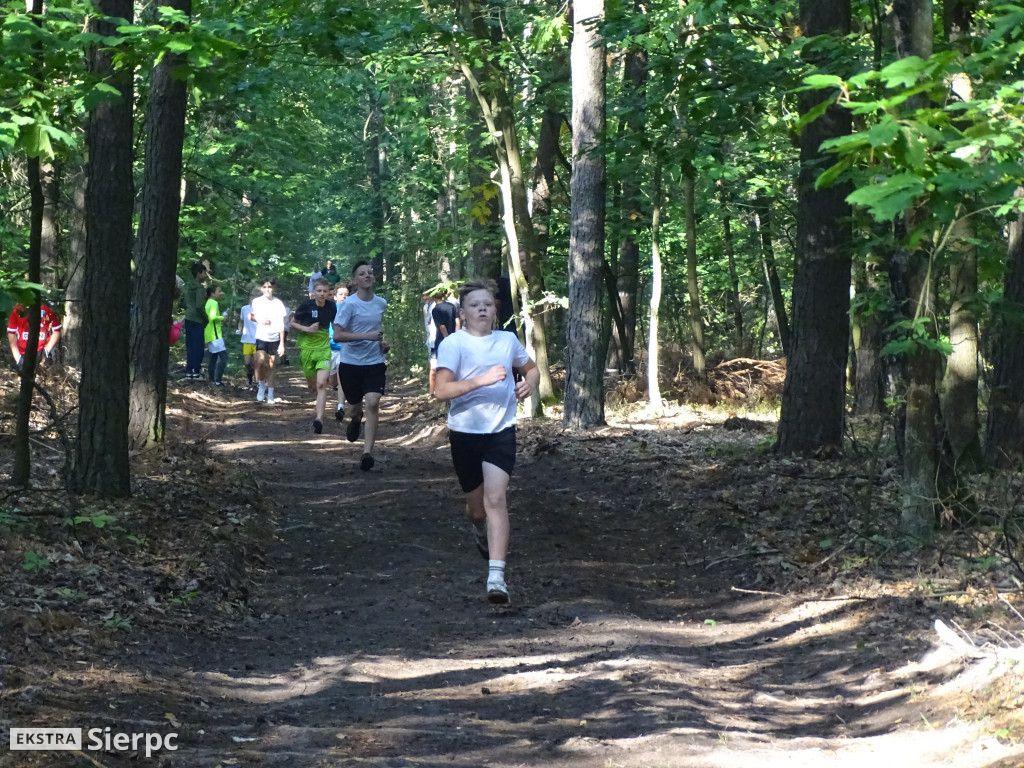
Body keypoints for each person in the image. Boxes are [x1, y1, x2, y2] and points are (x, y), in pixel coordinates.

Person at [433, 278, 539, 605]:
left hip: (501, 431)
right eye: (475, 304)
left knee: (496, 500)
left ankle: (496, 577)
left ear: (495, 310)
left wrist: (530, 384)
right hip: (465, 433)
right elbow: (441, 391)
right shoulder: (454, 344)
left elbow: (531, 369)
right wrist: (482, 380)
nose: (482, 308)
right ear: (463, 312)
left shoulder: (508, 340)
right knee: (478, 510)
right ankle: (478, 527)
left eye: (488, 304)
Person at [333, 260, 388, 471]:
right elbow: (337, 335)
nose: (367, 276)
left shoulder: (381, 303)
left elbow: (380, 330)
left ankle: (367, 453)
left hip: (374, 362)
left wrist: (383, 344)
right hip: (350, 364)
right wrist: (366, 336)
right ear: (355, 280)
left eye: (370, 273)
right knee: (355, 408)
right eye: (362, 274)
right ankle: (355, 421)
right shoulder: (349, 305)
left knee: (373, 402)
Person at [290, 278, 337, 434]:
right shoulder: (306, 306)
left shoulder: (332, 307)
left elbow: (337, 325)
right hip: (307, 348)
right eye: (319, 291)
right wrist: (307, 329)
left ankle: (319, 419)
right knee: (313, 386)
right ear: (314, 292)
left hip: (324, 348)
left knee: (322, 384)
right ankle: (315, 395)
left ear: (328, 292)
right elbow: (292, 323)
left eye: (325, 291)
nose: (322, 294)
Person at [250, 278, 287, 404]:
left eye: (270, 287)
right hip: (261, 336)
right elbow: (252, 316)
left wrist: (282, 343)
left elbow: (282, 324)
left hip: (274, 337)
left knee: (271, 365)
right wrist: (260, 320)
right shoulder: (256, 302)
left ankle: (270, 393)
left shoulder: (278, 303)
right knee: (259, 361)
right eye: (265, 287)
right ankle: (261, 384)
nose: (267, 289)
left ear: (273, 289)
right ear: (261, 288)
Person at [7, 302, 62, 369]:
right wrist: (18, 357)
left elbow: (56, 330)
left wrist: (46, 351)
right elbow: (11, 333)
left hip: (43, 350)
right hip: (23, 351)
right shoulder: (18, 310)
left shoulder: (46, 308)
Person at [430, 288, 460, 396]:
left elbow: (441, 326)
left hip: (442, 340)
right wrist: (456, 336)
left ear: (433, 297)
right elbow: (457, 322)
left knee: (442, 366)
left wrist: (447, 339)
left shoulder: (435, 310)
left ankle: (443, 389)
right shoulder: (452, 306)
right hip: (454, 338)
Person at [328, 282, 350, 421]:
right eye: (341, 295)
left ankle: (340, 407)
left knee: (343, 378)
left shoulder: (351, 310)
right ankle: (333, 385)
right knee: (332, 380)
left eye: (346, 295)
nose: (344, 297)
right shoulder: (330, 310)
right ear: (335, 297)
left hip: (344, 348)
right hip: (329, 348)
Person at [183, 261, 208, 379]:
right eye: (204, 273)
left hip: (188, 318)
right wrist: (205, 318)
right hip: (197, 320)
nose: (206, 275)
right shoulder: (199, 288)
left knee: (190, 346)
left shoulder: (188, 287)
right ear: (198, 273)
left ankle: (189, 371)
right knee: (198, 347)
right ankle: (196, 371)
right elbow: (199, 305)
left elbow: (185, 302)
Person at [204, 285, 228, 386]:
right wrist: (222, 317)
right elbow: (213, 317)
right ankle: (217, 380)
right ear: (212, 294)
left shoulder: (208, 303)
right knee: (224, 357)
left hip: (209, 333)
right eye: (219, 291)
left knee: (213, 357)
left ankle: (212, 380)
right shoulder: (213, 302)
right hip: (215, 335)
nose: (221, 293)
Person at [237, 288, 260, 388]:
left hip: (257, 339)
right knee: (247, 363)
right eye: (251, 296)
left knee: (256, 362)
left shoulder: (262, 309)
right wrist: (239, 329)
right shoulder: (244, 308)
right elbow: (241, 321)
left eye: (255, 297)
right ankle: (250, 379)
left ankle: (256, 382)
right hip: (246, 339)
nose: (253, 298)